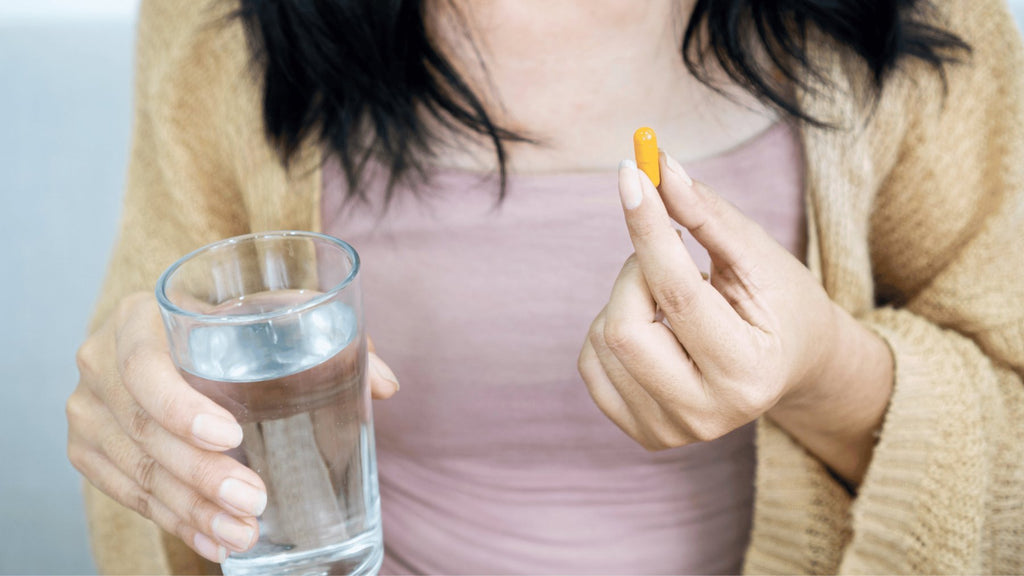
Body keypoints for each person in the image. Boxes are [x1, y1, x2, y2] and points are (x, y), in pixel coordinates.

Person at [67, 0, 1024, 573]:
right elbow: (148, 381)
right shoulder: (220, 30)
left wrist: (824, 373)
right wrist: (150, 425)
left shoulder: (925, 27)